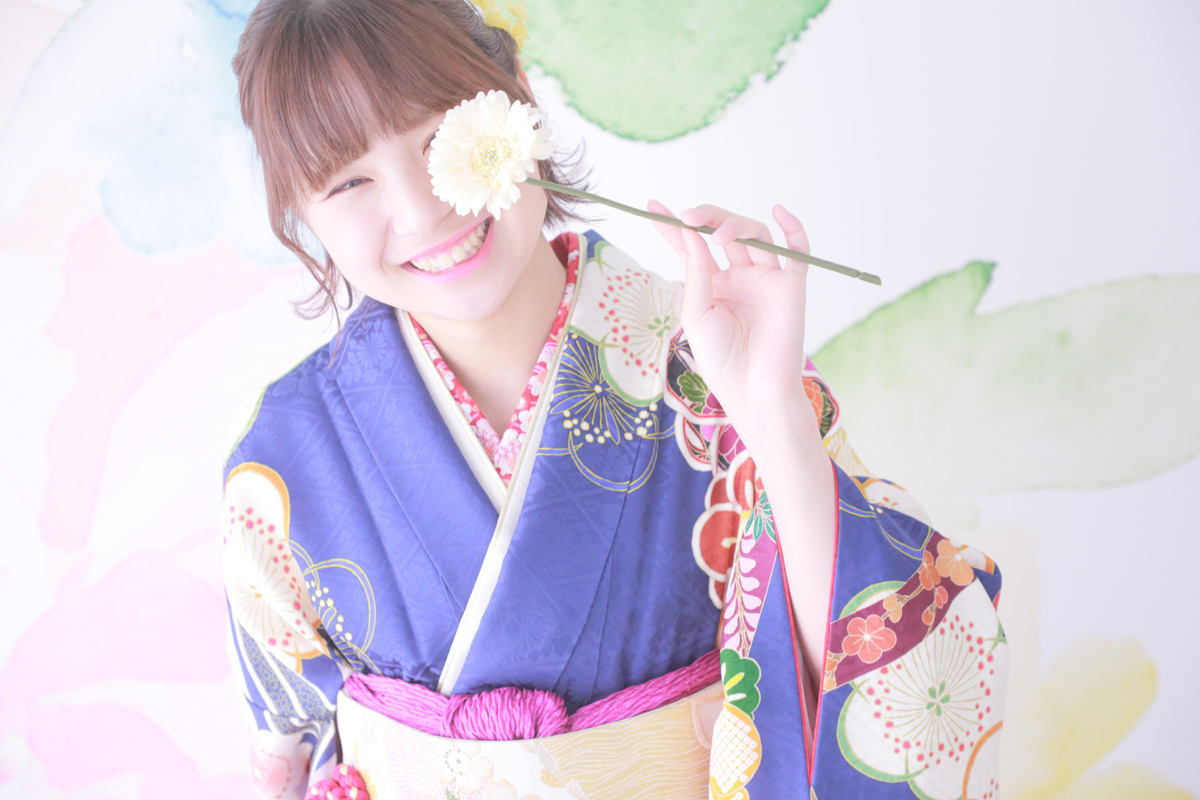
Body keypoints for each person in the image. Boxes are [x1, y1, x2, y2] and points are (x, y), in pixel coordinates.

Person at [220, 0, 1009, 798]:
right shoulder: (283, 461)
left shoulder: (714, 372)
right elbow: (291, 752)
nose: (422, 210)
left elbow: (874, 675)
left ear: (519, 94)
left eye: (438, 139)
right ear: (301, 213)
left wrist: (773, 410)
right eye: (349, 181)